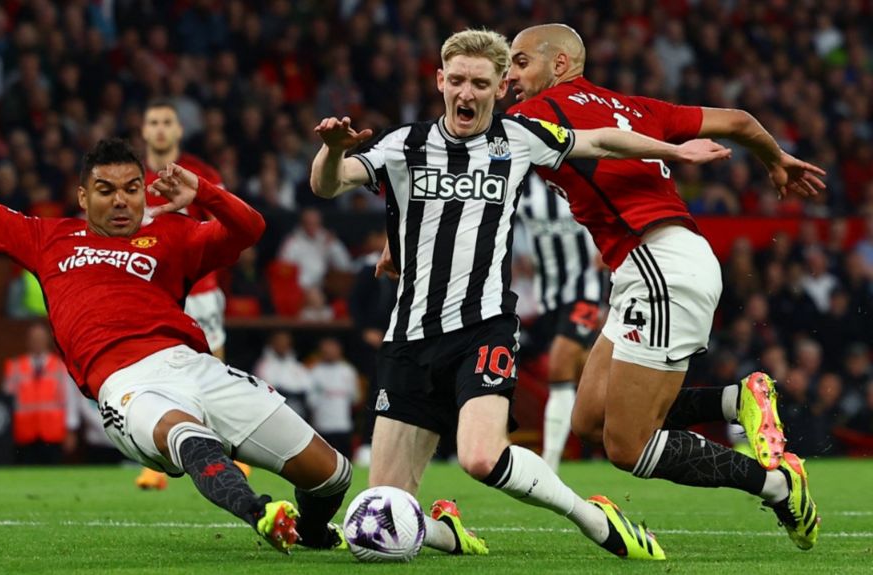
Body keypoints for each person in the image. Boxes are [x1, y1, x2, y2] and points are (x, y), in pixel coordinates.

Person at [0, 69, 351, 553]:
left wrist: (205, 193)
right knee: (184, 435)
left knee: (333, 474)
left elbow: (250, 229)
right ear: (84, 197)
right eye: (105, 190)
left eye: (131, 188)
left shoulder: (173, 235)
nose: (121, 200)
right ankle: (261, 513)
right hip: (126, 383)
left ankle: (313, 532)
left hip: (195, 365)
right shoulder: (46, 238)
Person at [311, 29, 731, 560]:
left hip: (483, 326)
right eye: (458, 80)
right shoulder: (404, 144)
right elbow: (328, 184)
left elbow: (602, 140)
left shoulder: (519, 138)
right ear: (441, 81)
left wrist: (674, 149)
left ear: (496, 87)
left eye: (480, 83)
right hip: (409, 336)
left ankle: (593, 518)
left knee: (481, 459)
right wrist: (329, 151)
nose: (467, 92)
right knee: (380, 513)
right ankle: (448, 533)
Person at [506, 24, 825, 550]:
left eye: (520, 63)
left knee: (627, 447)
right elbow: (740, 121)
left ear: (559, 65)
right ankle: (736, 400)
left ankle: (776, 486)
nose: (510, 76)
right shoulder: (635, 107)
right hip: (655, 266)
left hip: (660, 266)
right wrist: (775, 160)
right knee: (591, 420)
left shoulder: (539, 114)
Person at [135, 99, 237, 490]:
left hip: (199, 287)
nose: (160, 129)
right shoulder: (133, 177)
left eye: (167, 123)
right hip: (153, 287)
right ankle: (160, 462)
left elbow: (224, 225)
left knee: (214, 366)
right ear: (144, 131)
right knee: (153, 370)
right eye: (153, 122)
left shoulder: (202, 173)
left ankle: (230, 453)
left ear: (178, 131)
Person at [513, 172, 605, 471]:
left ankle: (549, 462)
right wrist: (520, 254)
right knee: (585, 373)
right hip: (548, 298)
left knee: (559, 365)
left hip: (585, 292)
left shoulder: (582, 183)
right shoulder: (524, 189)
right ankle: (607, 440)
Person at [2, 322, 73, 465]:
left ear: (47, 339)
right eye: (34, 338)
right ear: (28, 340)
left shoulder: (60, 366)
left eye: (40, 338)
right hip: (24, 433)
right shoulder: (15, 366)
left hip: (52, 433)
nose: (37, 342)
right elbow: (6, 399)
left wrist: (70, 430)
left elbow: (70, 401)